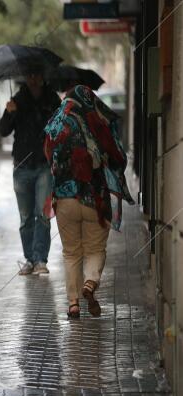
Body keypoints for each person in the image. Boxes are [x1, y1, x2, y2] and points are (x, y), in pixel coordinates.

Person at [44, 85, 133, 318]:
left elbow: (47, 153)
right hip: (94, 198)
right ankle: (90, 283)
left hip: (64, 199)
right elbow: (118, 156)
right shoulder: (97, 122)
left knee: (71, 252)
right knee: (95, 249)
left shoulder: (58, 121)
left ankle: (73, 303)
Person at [0, 69, 61, 275]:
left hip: (44, 165)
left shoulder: (52, 100)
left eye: (36, 74)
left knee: (42, 215)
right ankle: (29, 259)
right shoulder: (17, 100)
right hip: (21, 166)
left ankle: (40, 260)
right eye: (29, 75)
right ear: (25, 77)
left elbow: (60, 128)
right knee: (25, 217)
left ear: (43, 76)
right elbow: (3, 131)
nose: (33, 78)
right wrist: (9, 113)